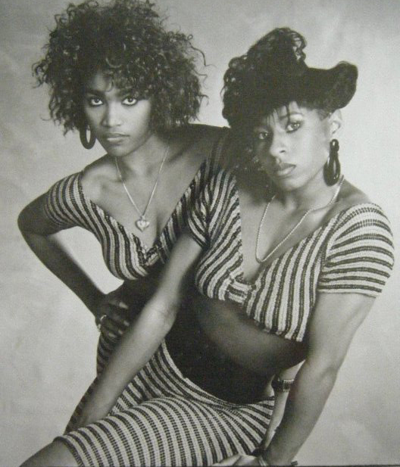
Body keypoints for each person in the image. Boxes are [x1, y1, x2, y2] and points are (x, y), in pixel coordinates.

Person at [21, 28, 395, 467]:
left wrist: (272, 460)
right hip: (143, 361)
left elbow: (322, 366)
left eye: (293, 126)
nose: (276, 148)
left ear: (332, 123)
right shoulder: (230, 186)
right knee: (68, 447)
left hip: (219, 409)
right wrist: (92, 412)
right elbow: (163, 306)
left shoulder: (358, 230)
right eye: (261, 134)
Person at [18, 0, 224, 378]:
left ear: (159, 96)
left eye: (129, 98)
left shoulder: (216, 153)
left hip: (217, 371)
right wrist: (94, 300)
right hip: (128, 363)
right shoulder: (87, 190)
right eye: (96, 100)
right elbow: (31, 225)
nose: (111, 120)